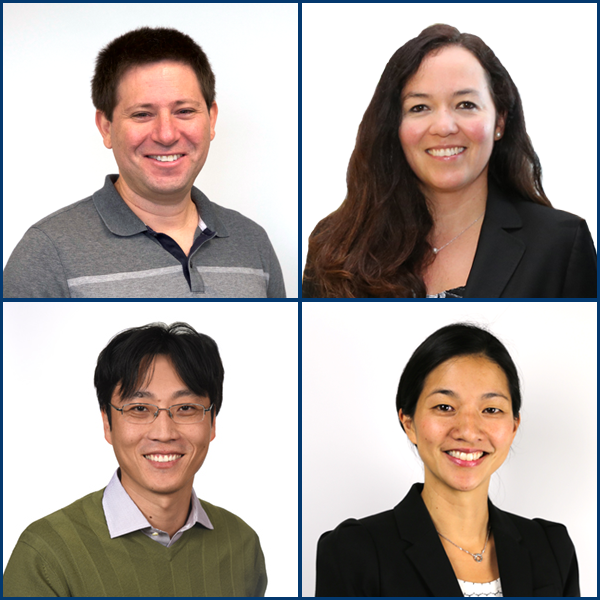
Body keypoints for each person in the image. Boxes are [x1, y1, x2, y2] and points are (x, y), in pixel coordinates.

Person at [303, 24, 596, 298]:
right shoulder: (333, 247)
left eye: (466, 104)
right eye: (419, 107)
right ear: (394, 126)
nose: (444, 127)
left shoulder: (561, 245)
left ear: (500, 121)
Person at [3, 27, 285, 298]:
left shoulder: (252, 241)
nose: (166, 134)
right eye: (141, 114)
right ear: (106, 126)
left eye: (184, 111)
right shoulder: (46, 253)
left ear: (211, 119)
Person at [3, 322, 267, 597]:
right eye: (139, 408)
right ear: (107, 423)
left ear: (212, 423)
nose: (164, 433)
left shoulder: (242, 544)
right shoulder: (47, 553)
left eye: (186, 408)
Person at [316, 323, 580, 597]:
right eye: (444, 407)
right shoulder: (353, 551)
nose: (467, 431)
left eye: (491, 409)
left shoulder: (551, 547)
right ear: (408, 421)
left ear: (514, 425)